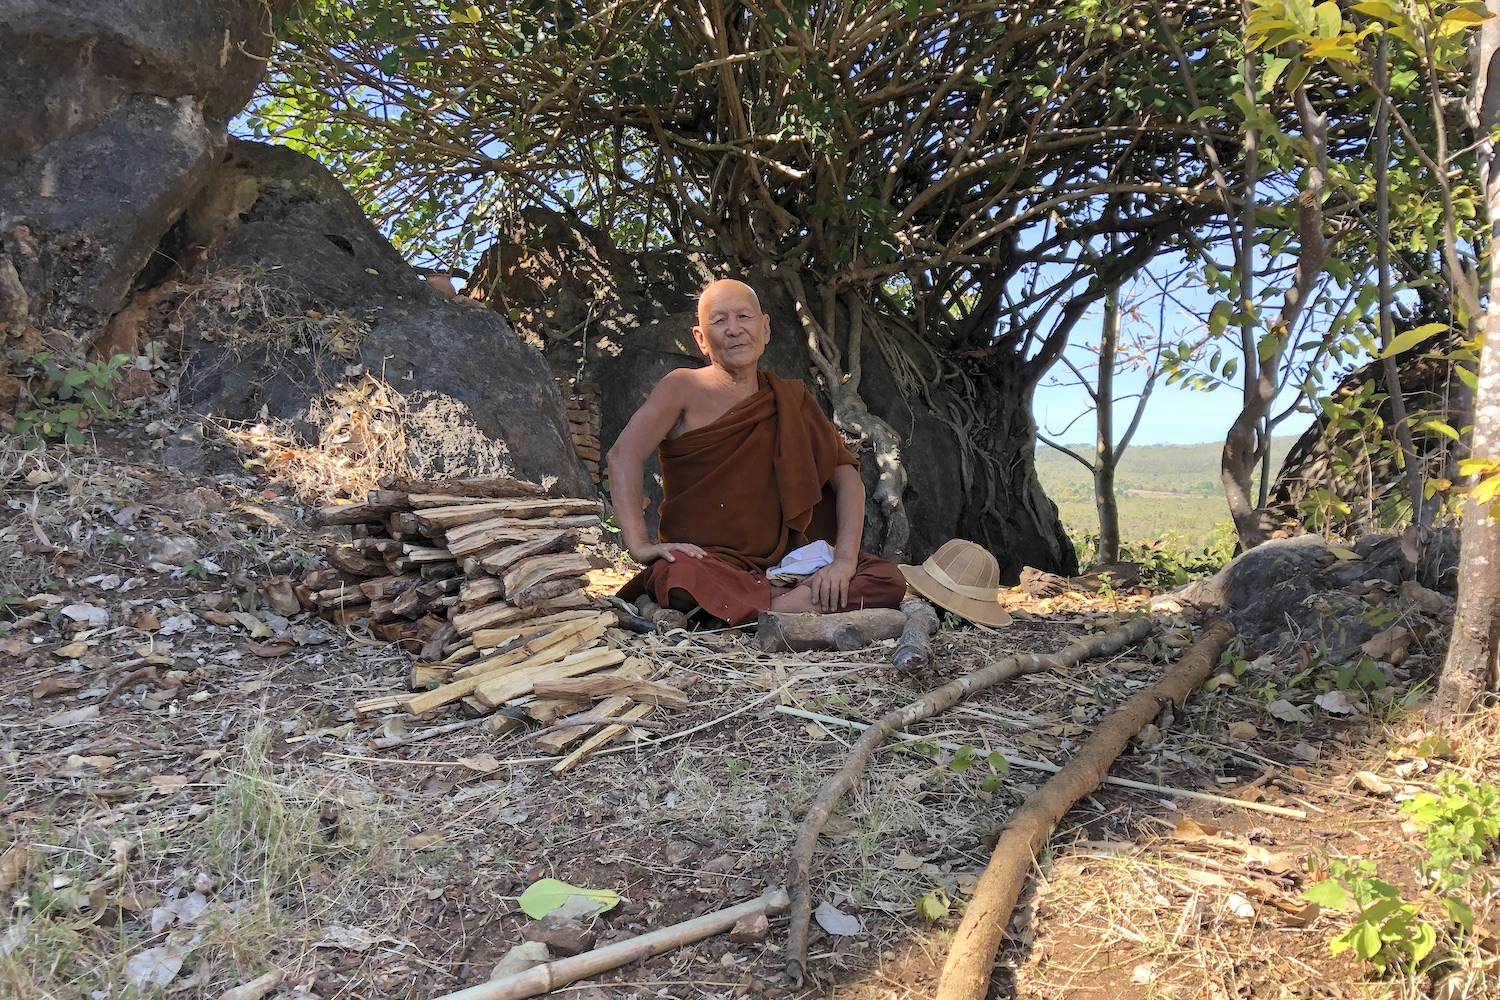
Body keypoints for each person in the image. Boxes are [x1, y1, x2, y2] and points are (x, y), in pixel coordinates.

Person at [607, 279, 908, 625]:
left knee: (888, 580)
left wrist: (842, 563)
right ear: (701, 339)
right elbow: (623, 455)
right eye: (719, 321)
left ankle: (760, 606)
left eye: (744, 317)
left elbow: (847, 477)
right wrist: (641, 546)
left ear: (765, 328)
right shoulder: (683, 388)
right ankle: (787, 606)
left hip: (789, 564)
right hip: (709, 562)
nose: (734, 330)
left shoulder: (791, 400)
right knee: (675, 577)